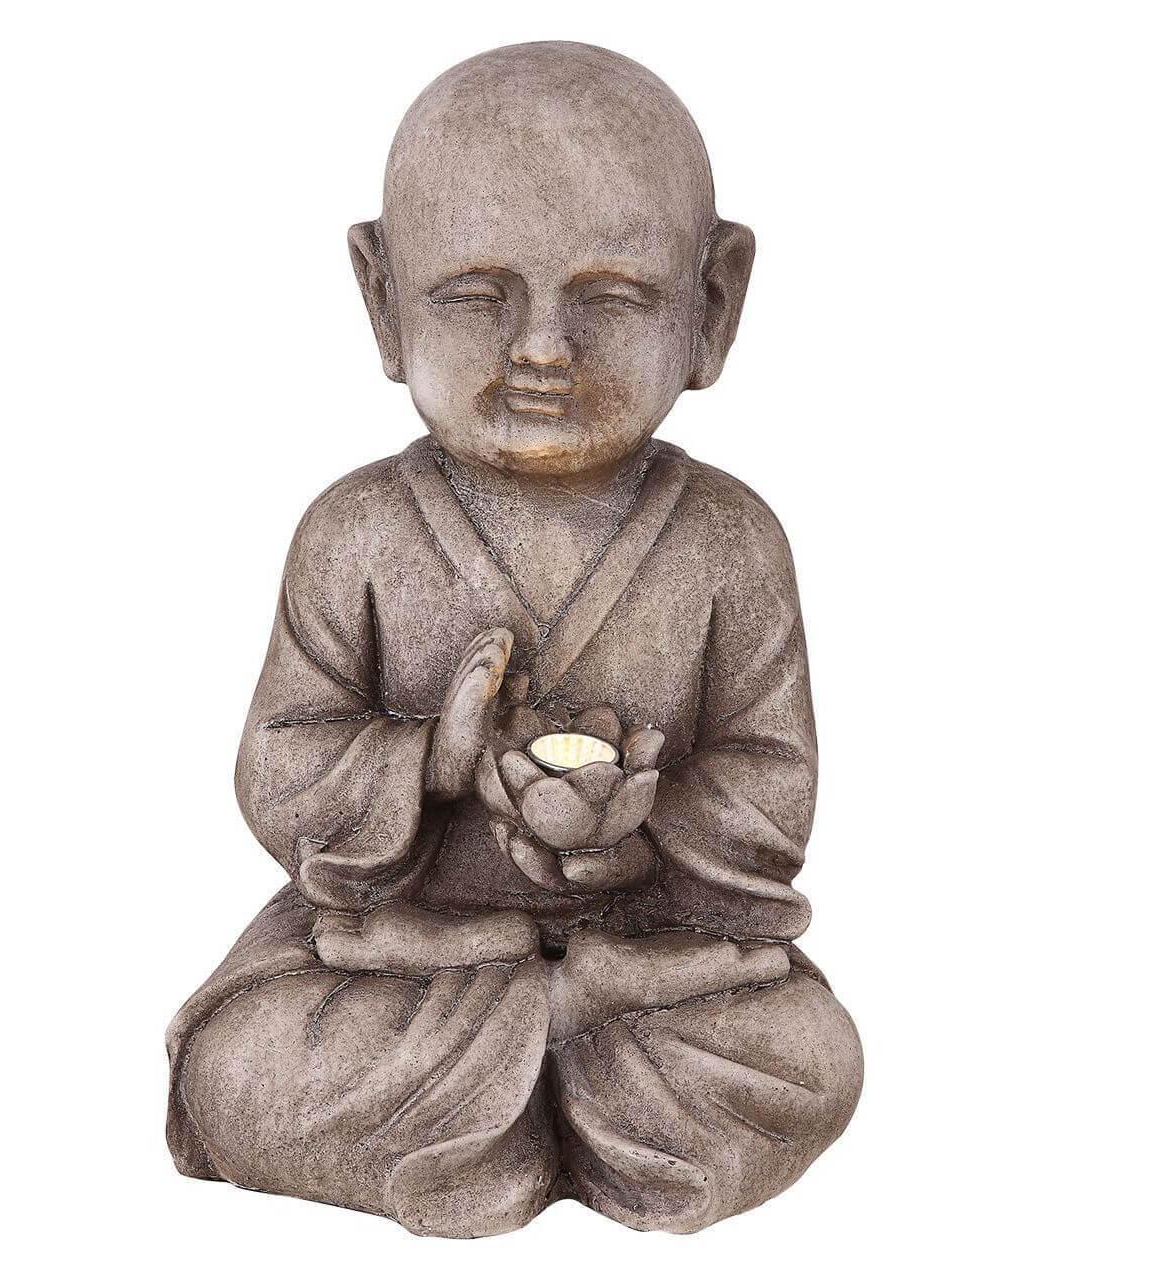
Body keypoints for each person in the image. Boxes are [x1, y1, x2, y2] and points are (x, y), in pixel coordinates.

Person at [167, 41, 862, 1237]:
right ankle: (563, 1027)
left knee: (809, 1056)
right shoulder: (356, 533)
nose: (541, 347)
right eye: (474, 296)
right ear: (382, 295)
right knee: (246, 1066)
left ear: (711, 302)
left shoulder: (728, 542)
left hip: (649, 941)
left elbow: (772, 784)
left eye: (612, 297)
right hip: (404, 953)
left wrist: (629, 827)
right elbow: (281, 765)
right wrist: (430, 759)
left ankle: (552, 1056)